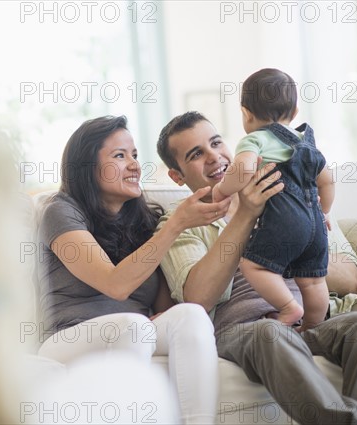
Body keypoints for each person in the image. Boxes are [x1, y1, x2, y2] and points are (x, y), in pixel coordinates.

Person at [156, 111, 357, 424]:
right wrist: (246, 214)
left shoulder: (289, 186)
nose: (214, 157)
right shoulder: (179, 223)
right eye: (196, 154)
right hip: (246, 331)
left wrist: (295, 235)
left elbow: (350, 278)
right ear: (177, 176)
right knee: (270, 332)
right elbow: (198, 298)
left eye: (216, 143)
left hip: (310, 324)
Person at [36, 115, 221, 424]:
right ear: (87, 167)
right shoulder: (61, 211)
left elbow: (164, 308)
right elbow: (115, 285)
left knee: (190, 315)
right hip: (67, 338)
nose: (135, 165)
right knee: (134, 327)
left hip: (137, 330)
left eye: (135, 155)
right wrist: (175, 225)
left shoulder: (146, 220)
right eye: (120, 156)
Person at [212, 68, 333, 330]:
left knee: (255, 267)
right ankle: (312, 327)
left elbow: (243, 169)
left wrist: (222, 189)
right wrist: (323, 213)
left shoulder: (255, 139)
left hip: (286, 221)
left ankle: (289, 307)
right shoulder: (308, 143)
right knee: (313, 280)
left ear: (246, 113)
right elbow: (327, 180)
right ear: (295, 112)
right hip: (315, 223)